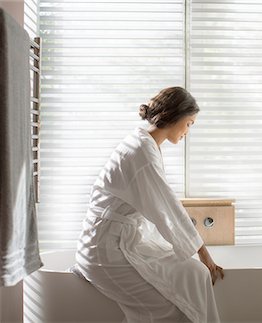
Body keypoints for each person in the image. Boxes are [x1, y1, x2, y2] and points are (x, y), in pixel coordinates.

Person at [75, 87, 224, 323]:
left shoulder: (143, 143)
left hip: (117, 241)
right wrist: (204, 255)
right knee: (164, 310)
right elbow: (168, 208)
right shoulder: (141, 151)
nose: (188, 131)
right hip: (105, 251)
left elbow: (163, 206)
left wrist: (199, 257)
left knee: (194, 274)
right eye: (189, 124)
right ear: (175, 117)